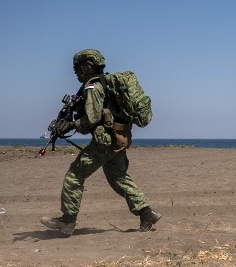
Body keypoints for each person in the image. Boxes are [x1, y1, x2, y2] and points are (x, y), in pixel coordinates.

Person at [41, 49, 162, 236]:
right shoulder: (103, 84)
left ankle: (67, 221)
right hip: (117, 139)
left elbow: (92, 118)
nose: (76, 72)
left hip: (104, 142)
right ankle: (147, 214)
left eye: (77, 68)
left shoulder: (93, 87)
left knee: (74, 175)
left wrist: (70, 125)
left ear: (87, 67)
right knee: (118, 178)